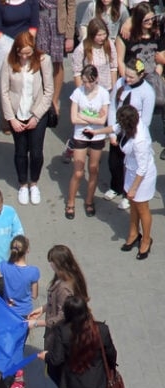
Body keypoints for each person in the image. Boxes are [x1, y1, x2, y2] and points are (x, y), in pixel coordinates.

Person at [27, 244, 90, 388]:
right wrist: (42, 309)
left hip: (62, 336)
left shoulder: (65, 287)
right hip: (60, 334)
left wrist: (37, 323)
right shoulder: (66, 278)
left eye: (52, 262)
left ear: (60, 263)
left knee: (58, 371)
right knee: (57, 370)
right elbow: (56, 303)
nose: (50, 265)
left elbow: (63, 315)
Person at [0, 32, 53, 206]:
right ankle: (23, 184)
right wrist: (11, 118)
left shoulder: (44, 60)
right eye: (21, 53)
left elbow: (48, 91)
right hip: (17, 114)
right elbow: (4, 91)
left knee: (36, 153)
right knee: (21, 151)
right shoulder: (8, 62)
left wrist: (37, 116)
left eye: (28, 53)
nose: (24, 57)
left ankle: (34, 183)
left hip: (37, 113)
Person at [105, 105, 155, 259]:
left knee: (142, 207)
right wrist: (95, 132)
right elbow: (114, 128)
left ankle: (146, 240)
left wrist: (133, 189)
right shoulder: (130, 124)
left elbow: (142, 168)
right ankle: (133, 233)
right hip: (132, 171)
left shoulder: (140, 140)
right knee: (133, 205)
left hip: (142, 177)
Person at [105, 58, 154, 207]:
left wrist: (132, 138)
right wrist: (112, 133)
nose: (127, 79)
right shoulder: (120, 83)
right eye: (126, 75)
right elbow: (113, 107)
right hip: (119, 128)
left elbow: (146, 121)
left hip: (133, 134)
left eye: (131, 77)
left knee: (131, 166)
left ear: (141, 75)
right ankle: (116, 187)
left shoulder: (147, 92)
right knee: (114, 163)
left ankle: (127, 194)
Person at [65, 65, 110, 219]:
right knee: (78, 172)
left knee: (93, 169)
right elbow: (73, 119)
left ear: (96, 79)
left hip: (97, 136)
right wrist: (94, 118)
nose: (87, 85)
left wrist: (83, 117)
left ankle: (89, 200)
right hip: (81, 135)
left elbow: (103, 121)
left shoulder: (103, 94)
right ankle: (70, 202)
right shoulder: (78, 93)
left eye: (90, 82)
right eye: (84, 81)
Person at [0, 235, 40, 317]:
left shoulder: (3, 266)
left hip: (8, 310)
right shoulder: (33, 271)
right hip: (25, 313)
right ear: (27, 250)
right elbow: (34, 295)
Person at [36, 0, 76, 114]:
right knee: (39, 61)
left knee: (57, 63)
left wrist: (70, 36)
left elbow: (71, 7)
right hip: (40, 23)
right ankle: (41, 98)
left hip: (58, 24)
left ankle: (54, 100)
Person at [73, 18, 118, 91]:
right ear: (91, 35)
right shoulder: (81, 48)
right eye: (99, 35)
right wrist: (81, 93)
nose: (102, 38)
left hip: (107, 89)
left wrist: (114, 90)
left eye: (104, 34)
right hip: (89, 90)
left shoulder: (109, 44)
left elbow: (113, 68)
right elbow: (77, 73)